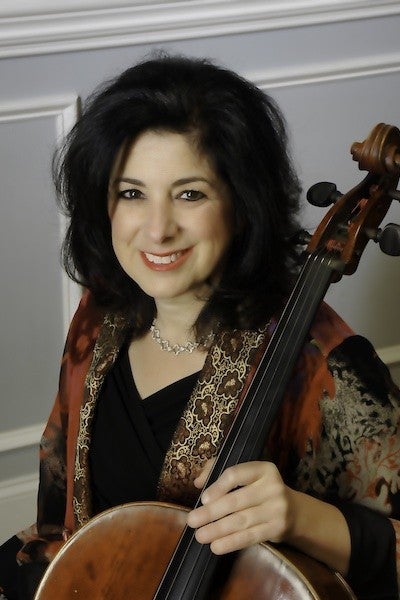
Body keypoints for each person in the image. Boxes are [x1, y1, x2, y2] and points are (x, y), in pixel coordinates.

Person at [0, 53, 399, 600]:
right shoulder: (103, 311)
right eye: (131, 193)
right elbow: (59, 521)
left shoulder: (329, 369)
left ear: (242, 204)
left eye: (190, 194)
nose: (157, 229)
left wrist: (302, 517)